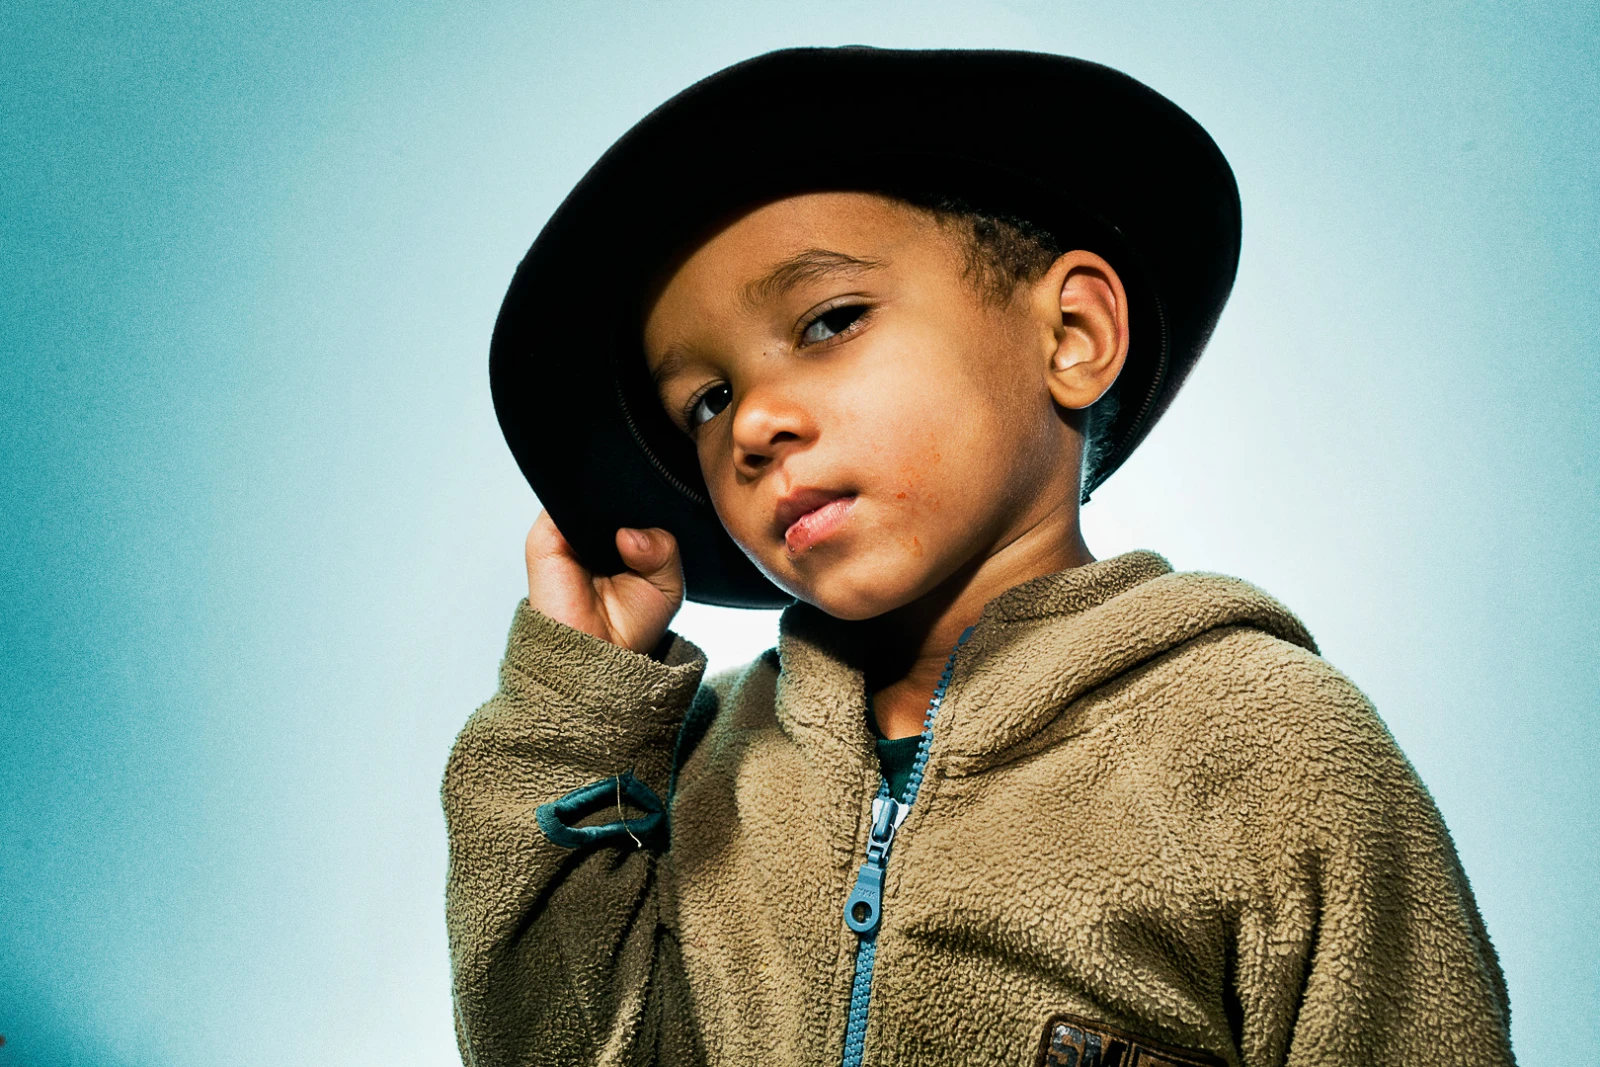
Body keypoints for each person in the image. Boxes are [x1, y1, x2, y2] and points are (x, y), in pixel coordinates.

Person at [443, 48, 1515, 1067]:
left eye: (828, 322)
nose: (753, 422)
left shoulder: (1268, 743)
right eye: (707, 400)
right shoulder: (695, 776)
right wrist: (575, 715)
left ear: (1072, 334)